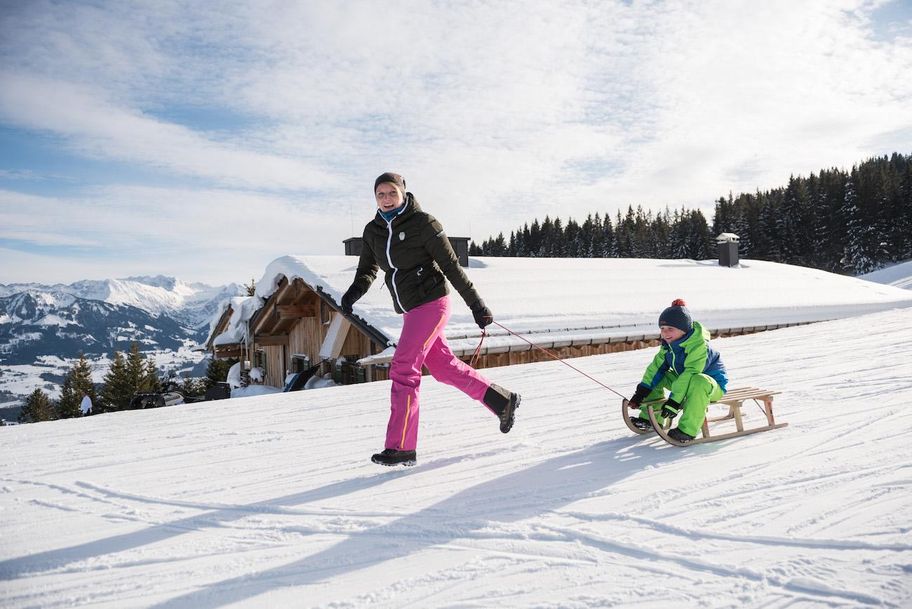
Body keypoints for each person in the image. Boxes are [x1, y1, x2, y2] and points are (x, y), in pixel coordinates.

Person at [341, 172, 521, 466]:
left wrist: (477, 305)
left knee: (403, 367)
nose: (386, 199)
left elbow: (451, 266)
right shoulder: (373, 230)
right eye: (380, 194)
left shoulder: (424, 223)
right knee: (443, 368)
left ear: (403, 193)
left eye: (391, 193)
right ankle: (502, 400)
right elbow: (367, 270)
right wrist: (352, 294)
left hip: (432, 303)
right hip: (411, 310)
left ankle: (401, 446)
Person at [626, 299, 728, 443]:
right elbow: (655, 369)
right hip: (685, 381)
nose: (665, 333)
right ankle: (650, 420)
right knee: (659, 377)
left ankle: (687, 430)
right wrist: (642, 392)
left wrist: (674, 401)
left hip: (711, 386)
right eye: (662, 328)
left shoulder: (698, 346)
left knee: (699, 381)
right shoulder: (669, 346)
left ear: (683, 329)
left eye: (670, 329)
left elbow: (691, 373)